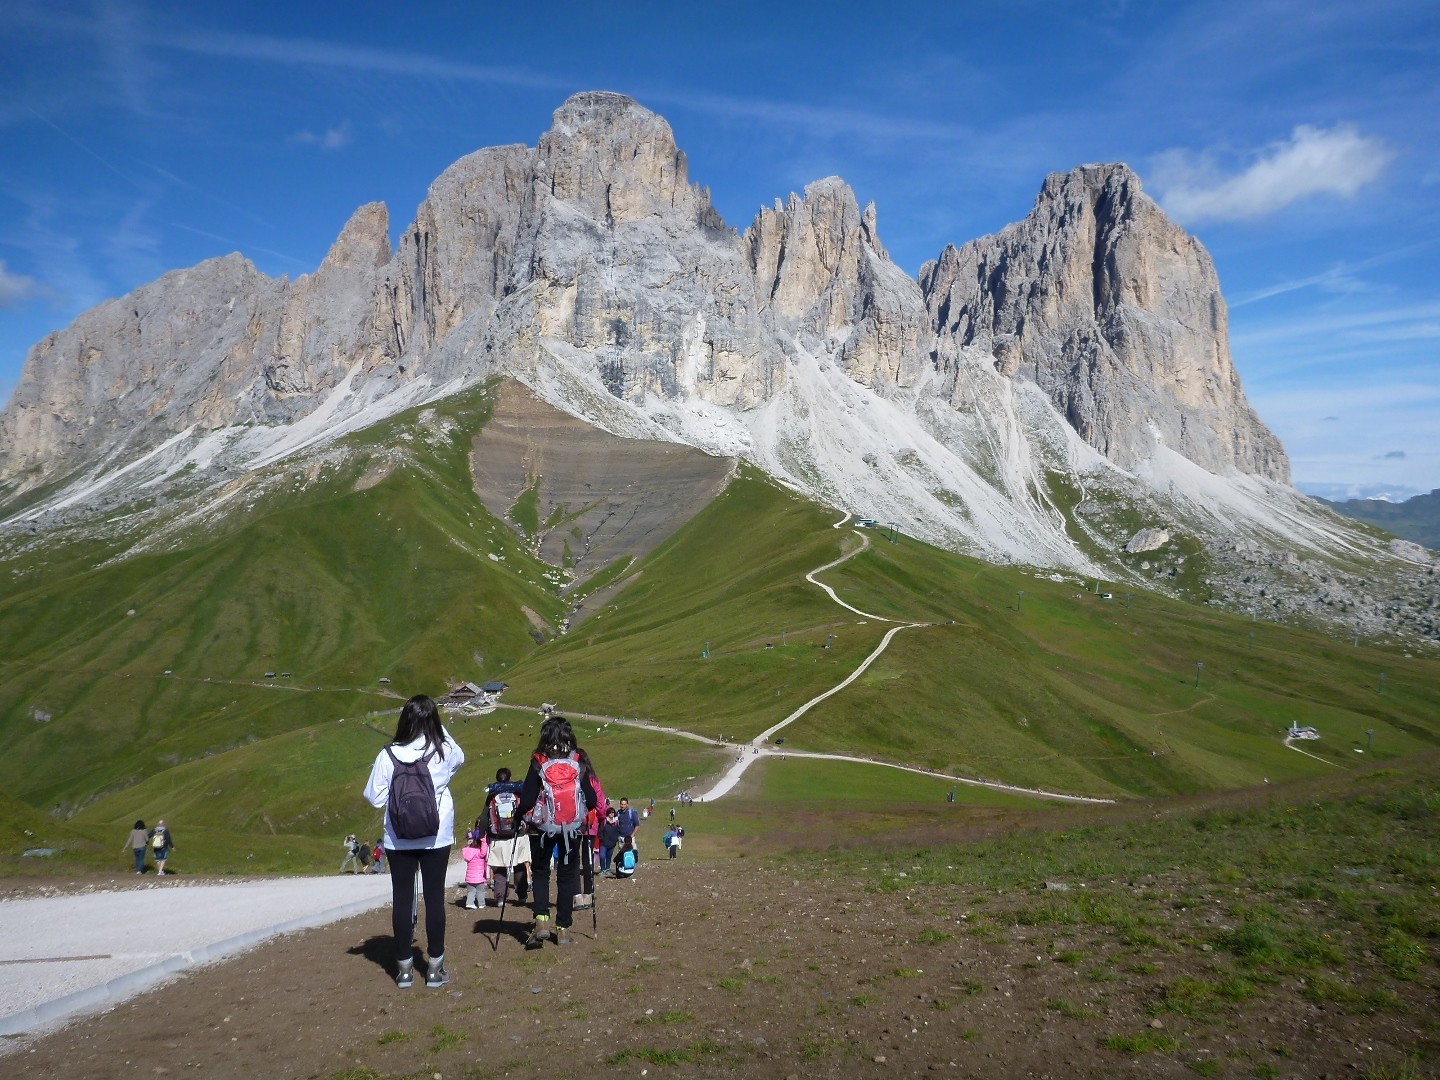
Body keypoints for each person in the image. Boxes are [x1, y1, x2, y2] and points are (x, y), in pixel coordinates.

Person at [363, 694, 465, 990]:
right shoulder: (443, 749)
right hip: (437, 835)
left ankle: (404, 970)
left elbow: (374, 797)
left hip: (398, 837)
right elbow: (461, 756)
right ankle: (435, 968)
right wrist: (441, 730)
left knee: (403, 898)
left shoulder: (388, 754)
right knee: (434, 899)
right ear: (433, 720)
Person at [516, 715, 600, 948]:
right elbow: (592, 799)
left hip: (541, 829)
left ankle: (541, 922)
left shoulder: (538, 760)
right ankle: (563, 929)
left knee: (542, 872)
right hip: (572, 829)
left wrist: (518, 816)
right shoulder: (578, 759)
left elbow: (527, 799)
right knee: (566, 875)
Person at [483, 768, 530, 907]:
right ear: (510, 777)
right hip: (517, 835)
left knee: (499, 868)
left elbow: (485, 817)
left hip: (498, 838)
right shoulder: (517, 793)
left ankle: (500, 898)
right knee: (519, 864)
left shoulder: (492, 796)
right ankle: (522, 895)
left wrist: (481, 834)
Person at [462, 829, 488, 909]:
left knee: (471, 891)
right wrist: (484, 841)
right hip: (479, 877)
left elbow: (466, 855)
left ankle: (469, 903)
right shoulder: (478, 852)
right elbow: (484, 852)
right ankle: (481, 904)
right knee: (480, 891)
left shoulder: (467, 850)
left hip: (470, 878)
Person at [597, 807, 620, 876]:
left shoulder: (616, 822)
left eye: (613, 812)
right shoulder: (604, 822)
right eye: (610, 812)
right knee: (602, 856)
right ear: (608, 813)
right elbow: (600, 832)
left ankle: (607, 869)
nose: (611, 814)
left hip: (612, 843)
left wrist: (615, 840)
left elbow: (617, 832)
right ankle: (602, 870)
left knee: (609, 857)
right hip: (603, 843)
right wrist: (602, 839)